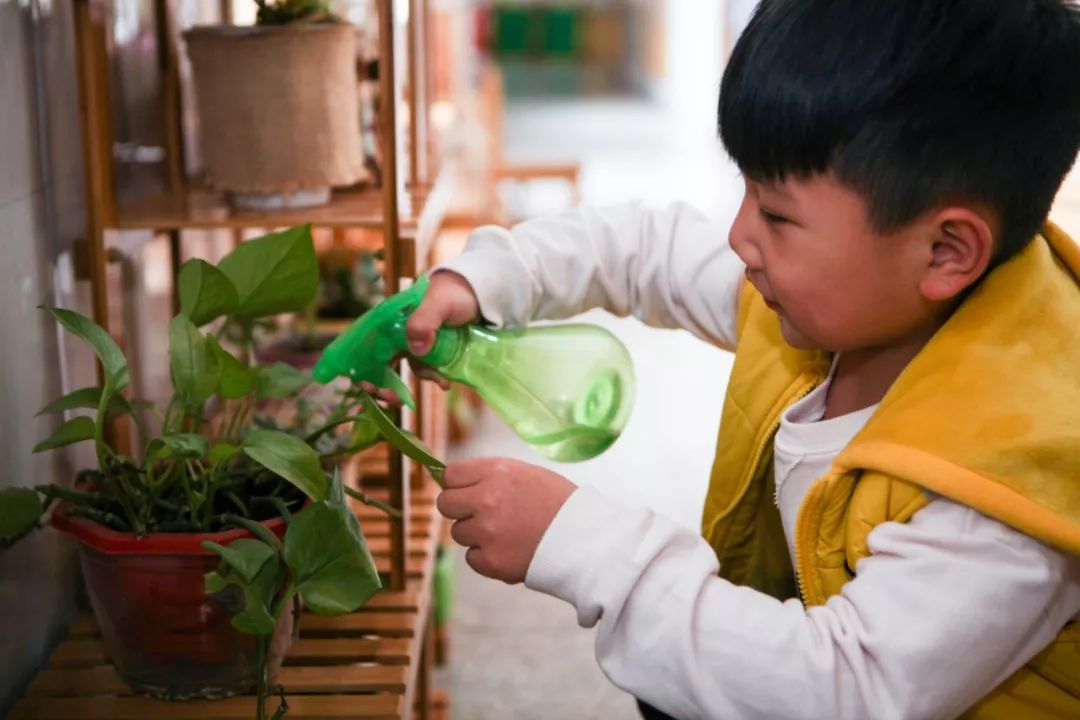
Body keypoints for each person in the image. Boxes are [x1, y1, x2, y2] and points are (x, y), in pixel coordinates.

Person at [408, 1, 1080, 717]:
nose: (739, 236)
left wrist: (587, 545)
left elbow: (846, 688)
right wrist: (489, 277)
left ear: (946, 251)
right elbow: (644, 250)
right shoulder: (858, 297)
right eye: (747, 193)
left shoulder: (1003, 484)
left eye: (777, 214)